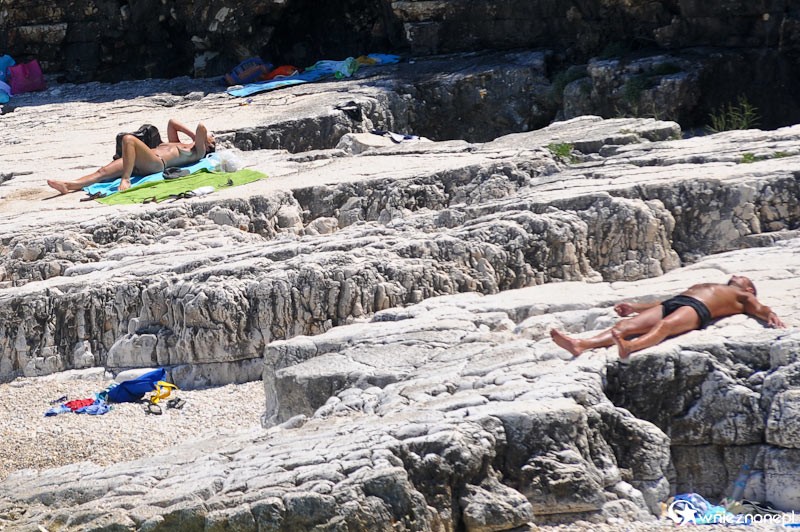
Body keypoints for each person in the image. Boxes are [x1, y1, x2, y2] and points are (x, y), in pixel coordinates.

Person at [550, 275, 786, 359]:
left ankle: (631, 348)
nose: (736, 275)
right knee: (624, 325)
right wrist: (634, 307)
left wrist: (770, 315)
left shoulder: (743, 296)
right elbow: (658, 303)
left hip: (697, 307)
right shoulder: (714, 284)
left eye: (743, 278)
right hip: (676, 301)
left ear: (749, 289)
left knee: (664, 326)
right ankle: (581, 344)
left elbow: (760, 308)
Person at [47, 119, 215, 194]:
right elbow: (172, 123)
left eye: (212, 138)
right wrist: (192, 137)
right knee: (102, 172)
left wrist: (202, 139)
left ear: (208, 146)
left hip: (156, 164)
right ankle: (68, 185)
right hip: (142, 160)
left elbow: (201, 127)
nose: (211, 136)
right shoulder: (178, 143)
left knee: (129, 139)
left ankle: (125, 178)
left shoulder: (197, 152)